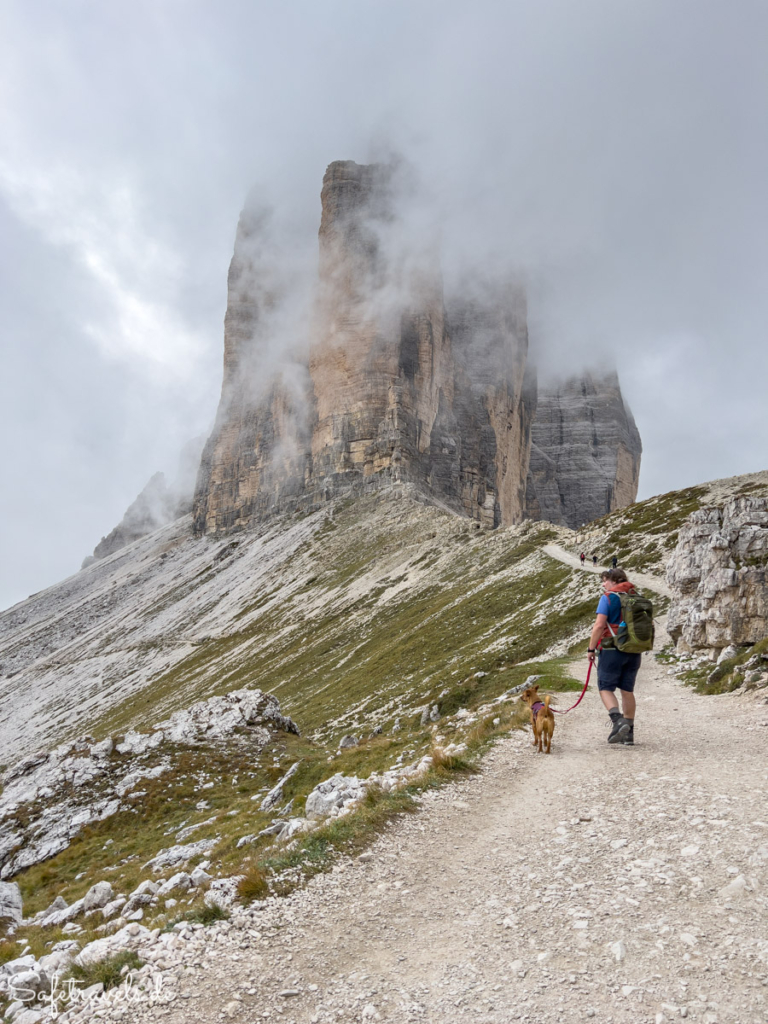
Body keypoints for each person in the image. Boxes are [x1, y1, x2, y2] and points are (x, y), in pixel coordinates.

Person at [587, 568, 640, 745]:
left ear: (614, 581)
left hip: (612, 649)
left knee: (605, 687)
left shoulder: (608, 598)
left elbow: (599, 625)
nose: (603, 584)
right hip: (634, 649)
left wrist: (591, 649)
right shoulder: (636, 596)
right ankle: (629, 734)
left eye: (605, 580)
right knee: (627, 690)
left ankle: (618, 721)